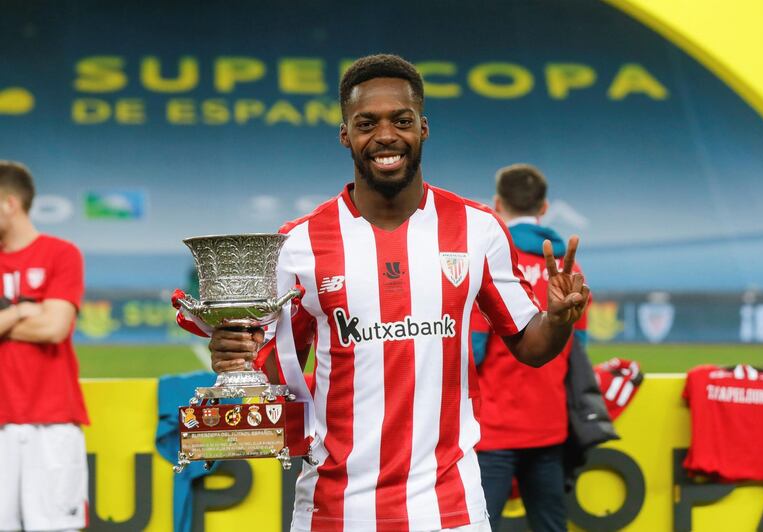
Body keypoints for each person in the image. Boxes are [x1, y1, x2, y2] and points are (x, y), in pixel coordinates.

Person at [205, 55, 589, 532]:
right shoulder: (299, 245)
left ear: (423, 128)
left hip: (450, 509)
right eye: (367, 123)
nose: (386, 135)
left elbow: (530, 346)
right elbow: (270, 366)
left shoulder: (476, 230)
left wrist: (556, 320)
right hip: (334, 509)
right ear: (345, 134)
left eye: (401, 120)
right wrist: (234, 355)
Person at [470, 164, 589, 531]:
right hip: (549, 426)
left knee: (477, 524)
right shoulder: (569, 271)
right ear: (544, 207)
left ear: (496, 203)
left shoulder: (490, 262)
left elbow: (472, 352)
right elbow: (576, 352)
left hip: (492, 430)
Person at [0, 161, 88, 531]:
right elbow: (44, 320)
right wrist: (24, 309)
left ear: (8, 204)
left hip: (52, 423)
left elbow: (54, 327)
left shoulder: (61, 253)